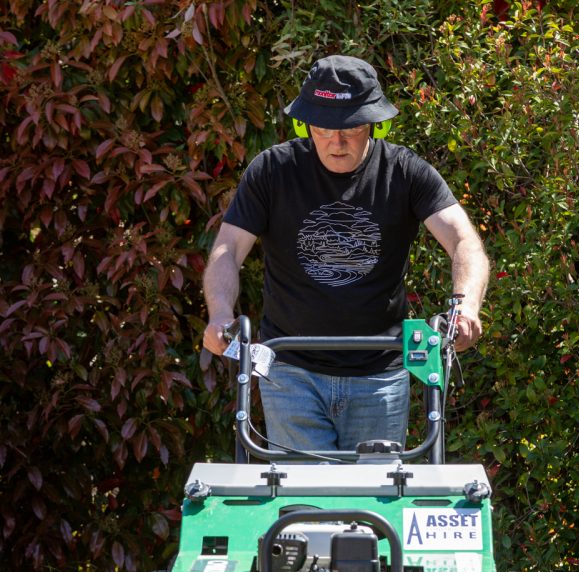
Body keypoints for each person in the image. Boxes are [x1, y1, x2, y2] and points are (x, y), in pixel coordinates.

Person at [202, 55, 489, 454]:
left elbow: (464, 240)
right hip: (290, 371)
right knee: (308, 505)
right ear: (306, 125)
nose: (336, 143)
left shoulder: (404, 173)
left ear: (374, 122)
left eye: (351, 129)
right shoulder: (272, 171)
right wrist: (219, 314)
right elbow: (227, 249)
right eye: (323, 129)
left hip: (380, 374)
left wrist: (466, 307)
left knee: (373, 501)